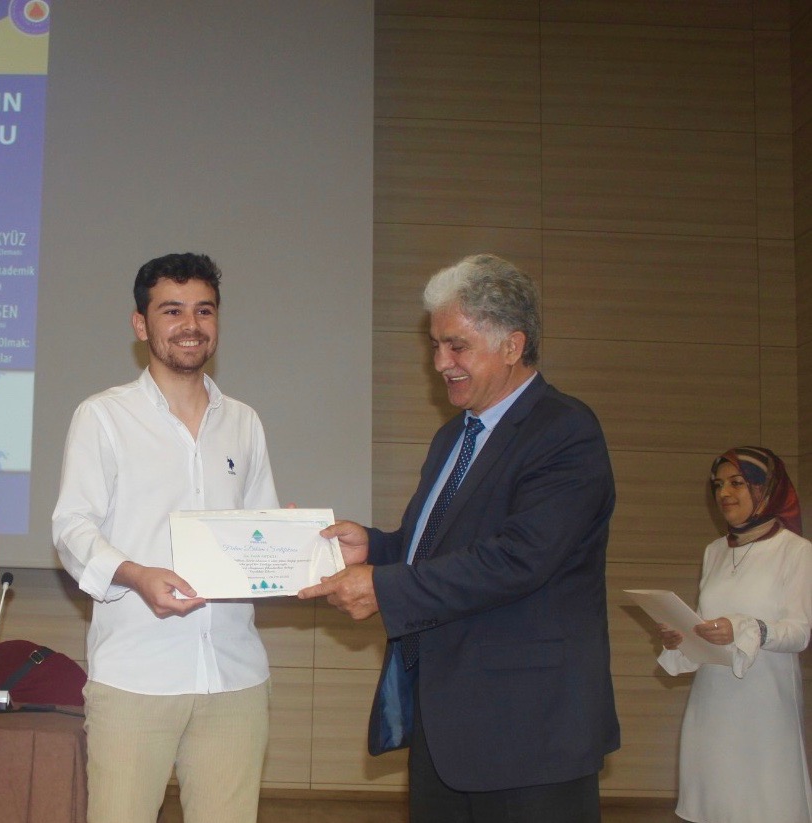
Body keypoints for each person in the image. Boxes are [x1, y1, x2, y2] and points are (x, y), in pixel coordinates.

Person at [299, 253, 619, 823]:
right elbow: (436, 549)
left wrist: (384, 589)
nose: (440, 363)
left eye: (457, 346)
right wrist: (374, 548)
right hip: (447, 726)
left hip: (531, 734)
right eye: (435, 346)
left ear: (513, 345)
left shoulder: (565, 430)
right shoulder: (453, 438)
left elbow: (518, 559)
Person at [52, 252, 279, 823]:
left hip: (234, 675)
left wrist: (289, 542)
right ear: (141, 324)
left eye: (204, 310)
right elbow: (72, 529)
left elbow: (261, 529)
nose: (191, 324)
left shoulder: (244, 422)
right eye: (172, 310)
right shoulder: (103, 417)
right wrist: (136, 575)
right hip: (136, 675)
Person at [656, 447, 812, 822]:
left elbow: (799, 633)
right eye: (718, 485)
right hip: (712, 703)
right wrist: (682, 637)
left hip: (765, 707)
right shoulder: (714, 551)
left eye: (737, 483)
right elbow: (706, 626)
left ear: (765, 488)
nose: (724, 493)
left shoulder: (796, 551)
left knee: (765, 806)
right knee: (716, 805)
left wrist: (746, 627)